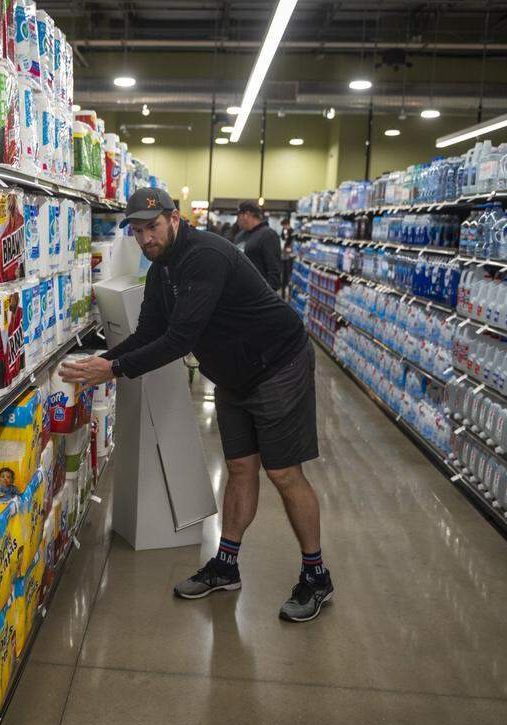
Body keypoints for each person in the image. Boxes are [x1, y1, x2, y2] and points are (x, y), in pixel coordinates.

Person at [58, 188, 333, 622]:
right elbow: (148, 333)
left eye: (152, 227)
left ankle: (316, 576)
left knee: (283, 472)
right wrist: (102, 361)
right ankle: (226, 565)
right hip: (233, 374)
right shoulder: (161, 271)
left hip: (278, 364)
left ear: (174, 218)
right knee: (240, 468)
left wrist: (113, 370)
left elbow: (178, 341)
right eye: (137, 231)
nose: (146, 238)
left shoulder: (205, 256)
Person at [235, 200, 282, 291]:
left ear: (247, 215)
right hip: (240, 292)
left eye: (239, 216)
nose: (238, 220)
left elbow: (274, 271)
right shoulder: (240, 236)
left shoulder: (268, 235)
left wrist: (268, 295)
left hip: (257, 294)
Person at [279, 216, 295, 300]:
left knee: (289, 274)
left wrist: (288, 248)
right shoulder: (284, 231)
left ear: (288, 224)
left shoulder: (292, 232)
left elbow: (291, 244)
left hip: (290, 257)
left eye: (284, 226)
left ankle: (288, 294)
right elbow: (283, 238)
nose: (284, 227)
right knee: (283, 275)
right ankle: (283, 294)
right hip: (284, 256)